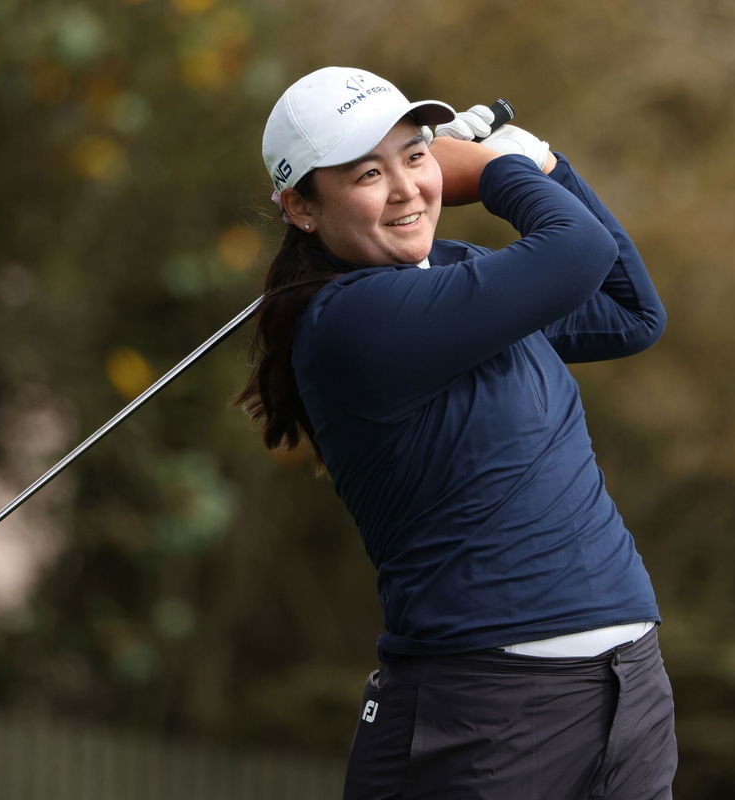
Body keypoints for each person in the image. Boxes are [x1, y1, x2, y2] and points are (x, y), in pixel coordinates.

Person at [237, 66, 675, 800]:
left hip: (626, 685)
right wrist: (507, 171)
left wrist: (549, 167)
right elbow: (576, 252)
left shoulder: (455, 276)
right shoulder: (351, 321)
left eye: (415, 156)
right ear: (302, 209)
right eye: (367, 173)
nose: (408, 187)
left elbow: (631, 313)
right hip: (486, 710)